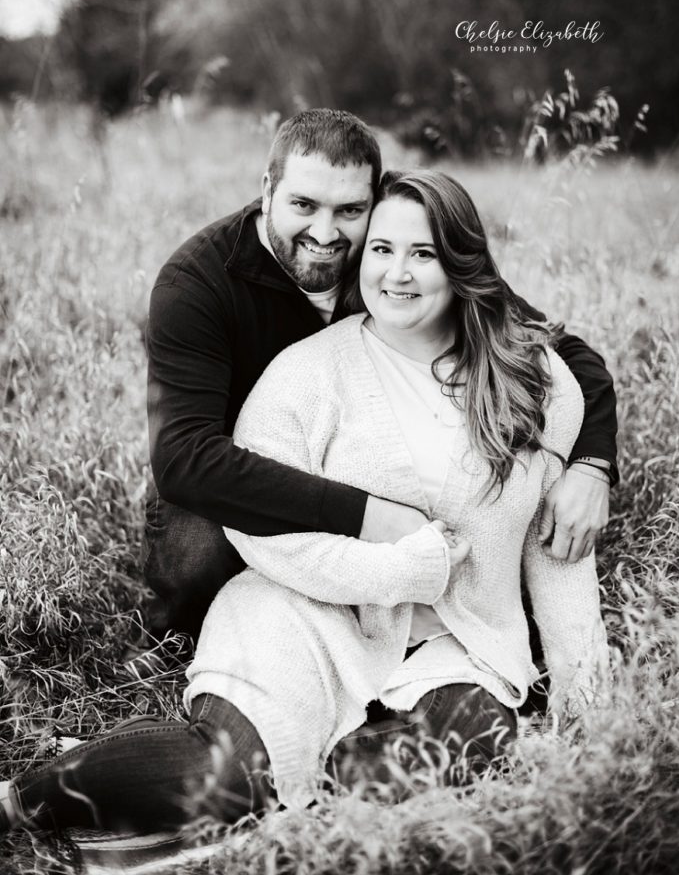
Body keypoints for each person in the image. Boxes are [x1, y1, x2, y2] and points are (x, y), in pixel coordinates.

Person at [1, 170, 609, 857]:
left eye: (423, 253)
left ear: (462, 262)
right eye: (380, 250)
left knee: (420, 765)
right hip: (301, 611)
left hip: (460, 647)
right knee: (227, 776)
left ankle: (271, 815)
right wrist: (397, 572)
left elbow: (559, 550)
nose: (397, 274)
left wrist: (589, 705)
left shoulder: (533, 378)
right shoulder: (306, 374)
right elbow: (261, 531)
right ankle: (27, 796)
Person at [143, 108, 617, 646]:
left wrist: (591, 466)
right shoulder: (196, 284)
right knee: (199, 552)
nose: (325, 233)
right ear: (267, 187)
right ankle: (185, 653)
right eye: (303, 205)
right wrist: (372, 517)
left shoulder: (397, 260)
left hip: (369, 466)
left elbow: (561, 353)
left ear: (376, 200)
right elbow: (184, 459)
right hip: (240, 469)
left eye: (350, 210)